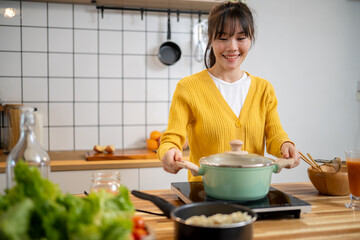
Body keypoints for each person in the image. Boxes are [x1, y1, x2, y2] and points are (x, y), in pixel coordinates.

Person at [157, 1, 300, 182]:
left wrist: (285, 145)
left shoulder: (264, 89)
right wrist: (169, 151)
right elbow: (172, 138)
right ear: (211, 38)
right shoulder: (188, 88)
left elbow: (275, 136)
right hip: (205, 194)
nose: (232, 47)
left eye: (240, 38)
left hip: (253, 191)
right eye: (223, 38)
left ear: (251, 38)